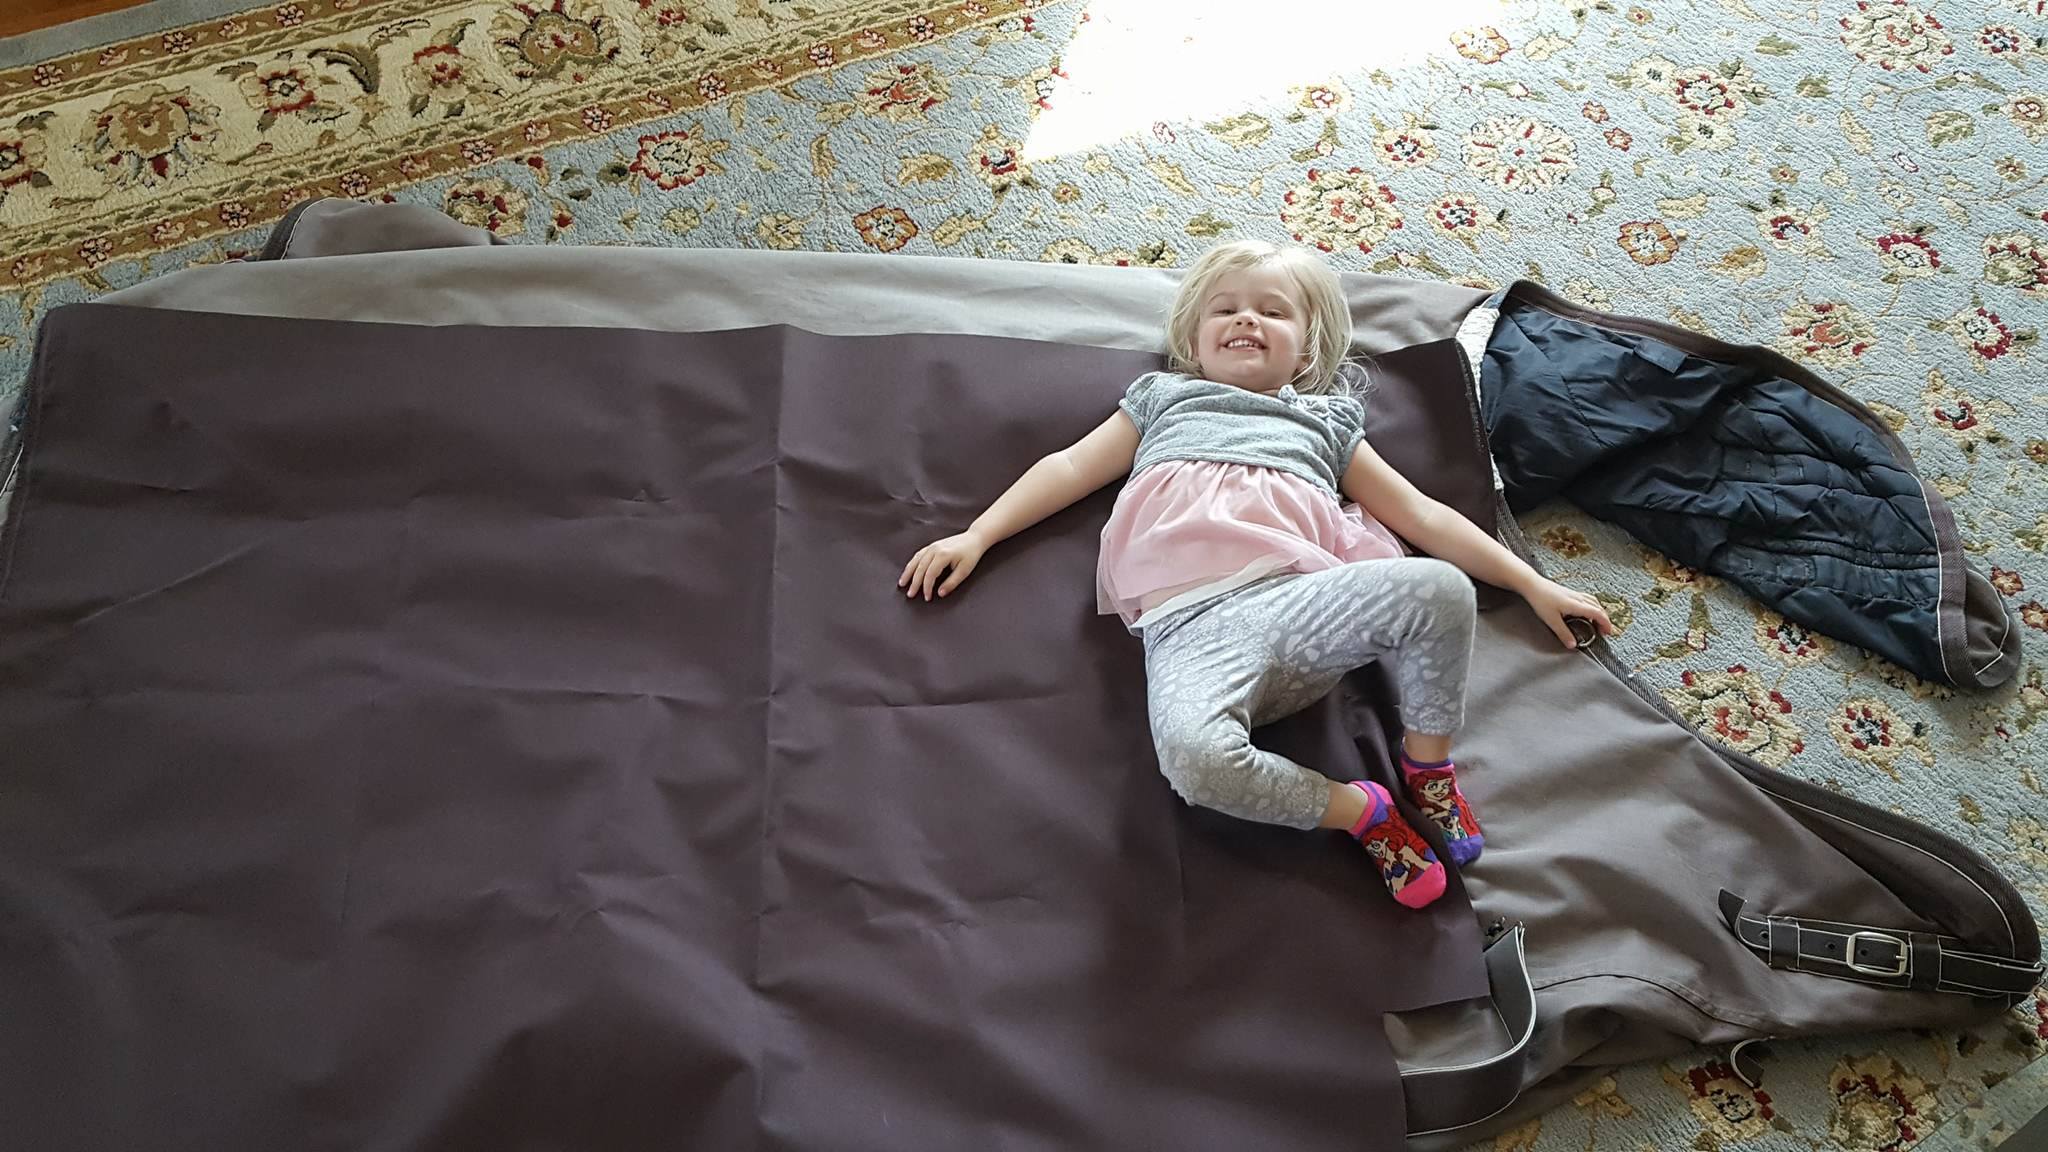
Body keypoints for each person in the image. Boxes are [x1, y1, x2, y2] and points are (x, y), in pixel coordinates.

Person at [899, 239, 1613, 909]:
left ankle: (1427, 769)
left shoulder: (1328, 423)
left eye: (1273, 311)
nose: (1247, 319)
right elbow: (1069, 467)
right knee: (1193, 765)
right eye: (1227, 309)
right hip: (1189, 632)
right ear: (1193, 339)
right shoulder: (1164, 399)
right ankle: (1361, 810)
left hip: (1300, 606)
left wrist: (1532, 584)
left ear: (1306, 348)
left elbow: (1423, 515)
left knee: (1440, 589)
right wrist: (978, 533)